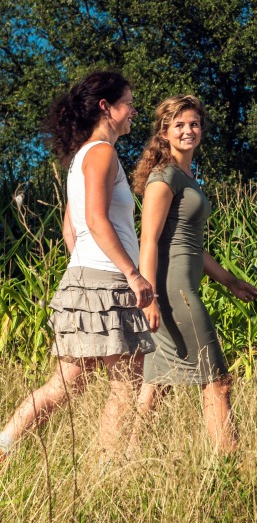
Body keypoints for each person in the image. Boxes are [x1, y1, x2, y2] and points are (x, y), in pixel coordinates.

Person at [0, 71, 155, 463]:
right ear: (107, 107)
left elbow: (72, 227)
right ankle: (107, 469)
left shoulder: (80, 158)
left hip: (85, 277)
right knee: (125, 384)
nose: (134, 111)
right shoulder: (102, 153)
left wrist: (85, 269)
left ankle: (3, 445)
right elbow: (97, 220)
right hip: (110, 281)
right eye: (129, 103)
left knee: (65, 384)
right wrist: (132, 273)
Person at [132, 95, 257, 454]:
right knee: (217, 381)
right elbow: (149, 240)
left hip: (182, 286)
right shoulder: (164, 177)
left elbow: (191, 244)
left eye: (194, 124)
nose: (189, 131)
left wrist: (229, 281)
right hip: (172, 292)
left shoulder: (187, 176)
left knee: (155, 385)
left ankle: (122, 463)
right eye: (180, 125)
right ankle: (231, 466)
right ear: (165, 131)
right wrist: (150, 297)